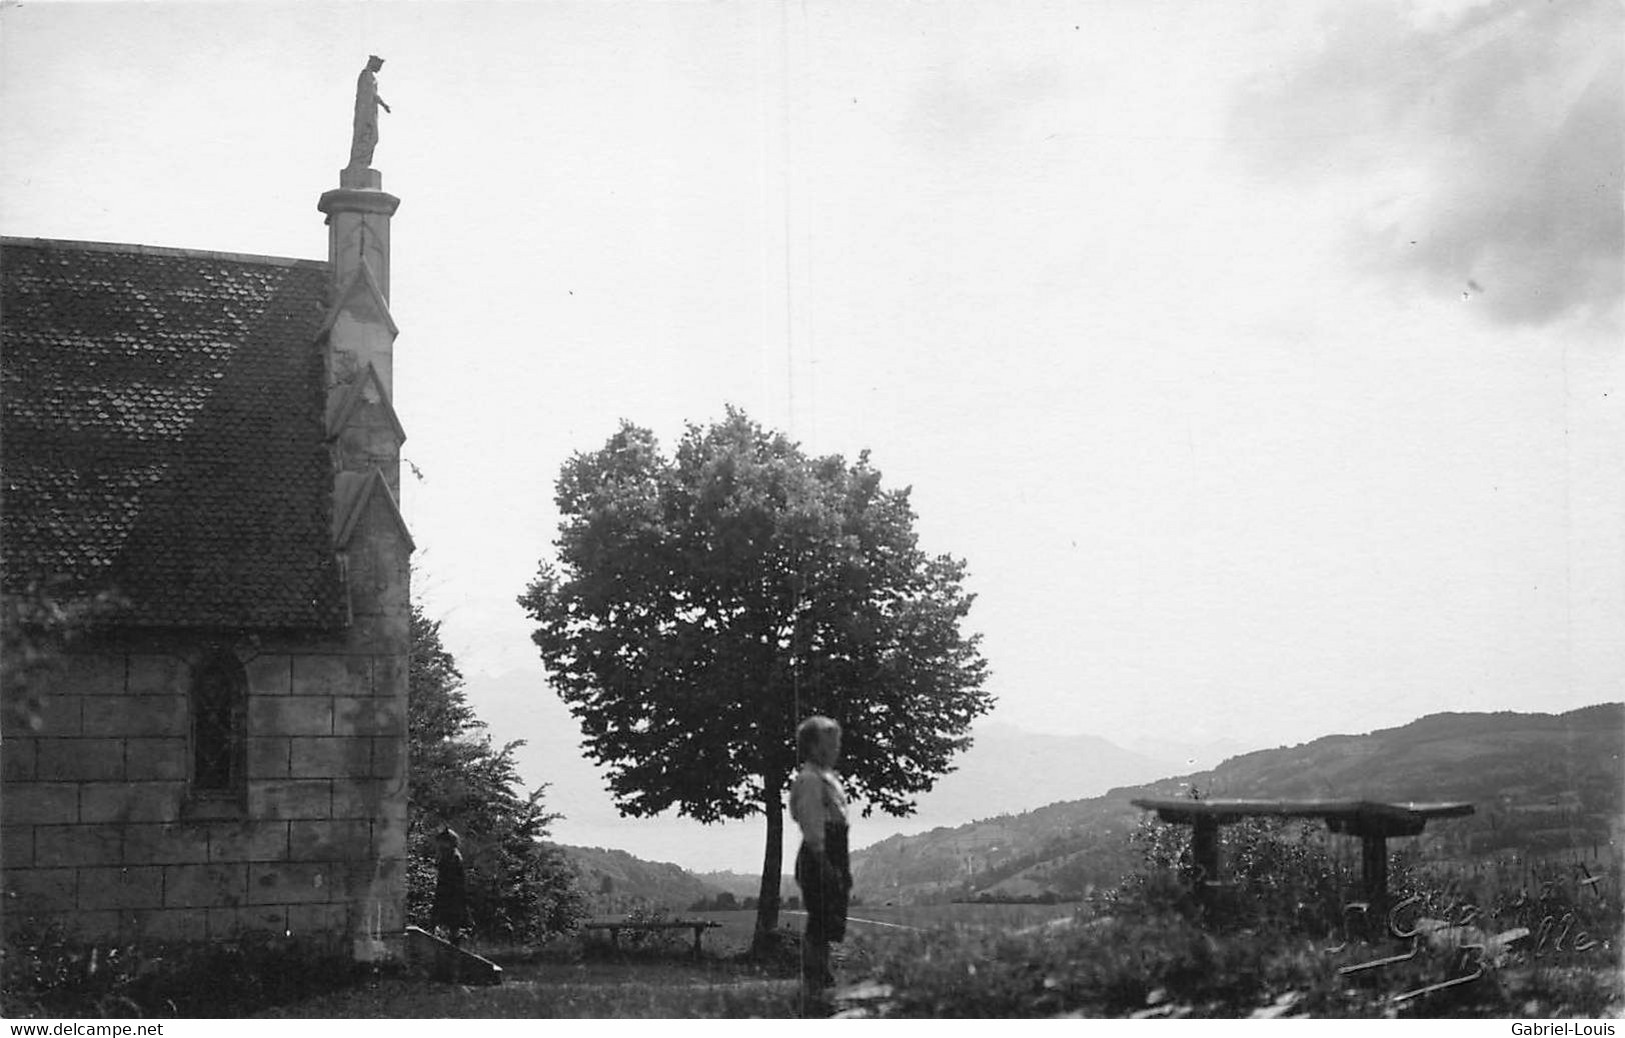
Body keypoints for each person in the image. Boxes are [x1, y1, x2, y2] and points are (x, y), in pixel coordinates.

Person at [789, 715, 851, 1013]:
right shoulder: (810, 779)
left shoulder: (827, 778)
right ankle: (815, 985)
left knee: (828, 921)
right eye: (831, 742)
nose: (837, 747)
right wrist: (824, 861)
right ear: (814, 747)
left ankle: (821, 982)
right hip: (820, 855)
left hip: (834, 852)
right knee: (820, 920)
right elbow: (812, 825)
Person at [348, 55, 391, 170]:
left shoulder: (370, 76)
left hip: (370, 111)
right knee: (367, 136)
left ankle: (363, 163)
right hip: (365, 112)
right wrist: (384, 104)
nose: (380, 69)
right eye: (379, 65)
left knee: (372, 137)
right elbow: (371, 94)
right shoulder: (366, 75)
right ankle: (358, 162)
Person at [432, 826, 469, 945]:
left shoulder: (453, 857)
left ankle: (454, 951)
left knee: (453, 925)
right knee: (444, 923)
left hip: (452, 896)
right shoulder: (448, 856)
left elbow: (454, 880)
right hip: (447, 894)